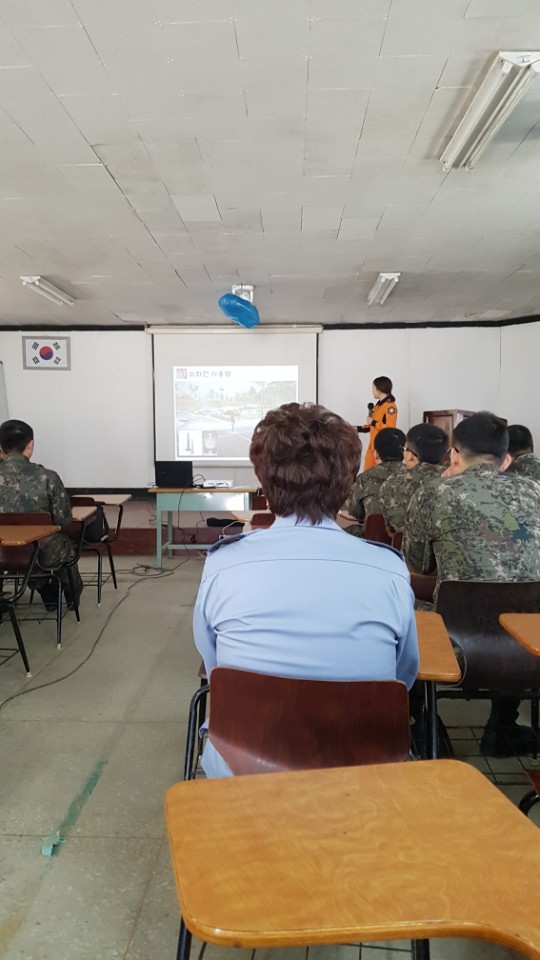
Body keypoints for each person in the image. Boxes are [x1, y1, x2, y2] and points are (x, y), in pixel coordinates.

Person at [193, 402, 419, 778]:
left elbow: (215, 665)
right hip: (365, 769)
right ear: (347, 485)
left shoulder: (222, 565)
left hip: (244, 767)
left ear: (265, 484)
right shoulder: (389, 569)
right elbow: (402, 677)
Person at [405, 412, 540, 757]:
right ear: (506, 458)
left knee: (402, 610)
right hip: (530, 647)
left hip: (457, 643)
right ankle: (502, 726)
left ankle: (425, 728)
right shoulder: (535, 491)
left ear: (453, 455)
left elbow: (417, 563)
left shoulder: (433, 493)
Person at [0, 419, 83, 610]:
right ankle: (71, 592)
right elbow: (63, 520)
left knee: (25, 556)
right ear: (30, 445)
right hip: (42, 552)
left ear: (1, 447)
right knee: (64, 548)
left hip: (3, 552)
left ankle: (43, 586)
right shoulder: (48, 477)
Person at [379, 423, 448, 534]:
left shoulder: (391, 483)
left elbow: (391, 531)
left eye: (405, 449)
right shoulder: (455, 480)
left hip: (403, 544)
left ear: (410, 456)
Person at [343, 427, 406, 536]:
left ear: (376, 453)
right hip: (406, 539)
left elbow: (355, 512)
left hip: (374, 537)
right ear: (405, 452)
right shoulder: (414, 476)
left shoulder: (364, 478)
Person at [362, 376, 398, 471]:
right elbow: (372, 426)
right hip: (373, 446)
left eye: (373, 388)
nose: (372, 391)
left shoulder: (390, 406)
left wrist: (373, 422)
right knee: (367, 474)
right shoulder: (377, 406)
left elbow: (390, 428)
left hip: (382, 447)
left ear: (380, 389)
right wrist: (357, 428)